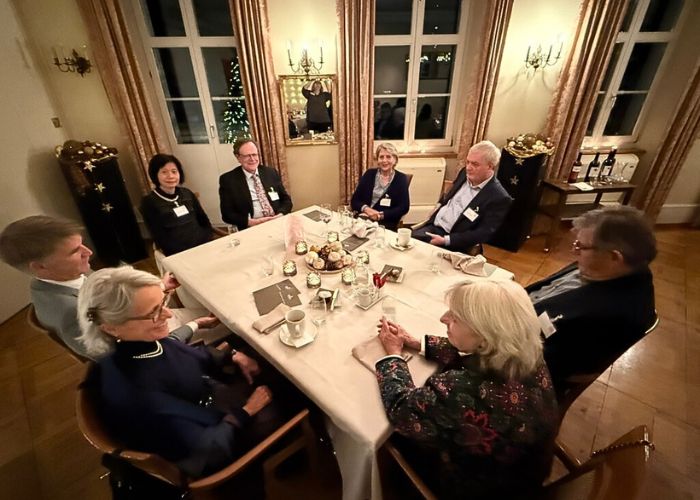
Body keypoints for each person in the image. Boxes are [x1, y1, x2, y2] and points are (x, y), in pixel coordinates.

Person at [76, 267, 281, 479]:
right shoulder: (139, 394)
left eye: (163, 302)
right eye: (154, 312)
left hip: (204, 400)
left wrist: (232, 355)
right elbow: (211, 452)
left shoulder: (136, 344)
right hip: (213, 440)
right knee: (290, 391)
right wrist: (247, 410)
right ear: (111, 327)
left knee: (255, 353)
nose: (169, 314)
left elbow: (178, 351)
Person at [375, 280, 558, 499]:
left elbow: (400, 409)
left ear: (485, 335)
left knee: (382, 436)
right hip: (529, 471)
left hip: (481, 488)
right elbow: (478, 352)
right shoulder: (527, 352)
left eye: (455, 318)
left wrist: (393, 355)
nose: (443, 318)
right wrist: (416, 342)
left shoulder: (460, 390)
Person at [0, 216, 218, 360]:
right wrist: (192, 326)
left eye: (82, 244)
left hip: (146, 323)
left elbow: (116, 299)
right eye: (75, 251)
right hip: (155, 346)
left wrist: (161, 286)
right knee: (224, 319)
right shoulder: (70, 313)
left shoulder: (58, 278)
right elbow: (132, 357)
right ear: (40, 267)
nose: (89, 252)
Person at [527, 206, 657, 401]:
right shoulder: (606, 267)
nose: (574, 251)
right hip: (519, 314)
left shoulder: (615, 315)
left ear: (614, 257)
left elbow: (543, 363)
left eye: (581, 246)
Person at [413, 140, 512, 254]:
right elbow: (450, 192)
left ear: (490, 166)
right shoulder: (464, 173)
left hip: (454, 242)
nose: (468, 167)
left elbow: (484, 233)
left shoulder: (499, 197)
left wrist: (446, 240)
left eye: (475, 164)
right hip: (432, 227)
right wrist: (439, 204)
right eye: (467, 162)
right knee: (402, 244)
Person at [141, 154, 224, 256]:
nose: (170, 176)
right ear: (155, 175)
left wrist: (205, 241)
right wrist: (188, 251)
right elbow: (160, 237)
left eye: (174, 171)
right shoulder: (149, 202)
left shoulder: (187, 193)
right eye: (164, 172)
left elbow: (204, 221)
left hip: (204, 246)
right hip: (179, 254)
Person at [219, 138, 293, 230]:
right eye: (247, 156)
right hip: (251, 228)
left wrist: (280, 215)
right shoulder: (228, 180)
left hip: (277, 222)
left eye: (254, 154)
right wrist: (250, 222)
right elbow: (227, 215)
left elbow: (286, 201)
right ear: (238, 157)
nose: (252, 159)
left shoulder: (270, 172)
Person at [350, 143, 410, 231]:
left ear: (395, 160)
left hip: (386, 223)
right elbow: (355, 200)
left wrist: (380, 215)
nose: (384, 160)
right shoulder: (369, 174)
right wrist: (367, 210)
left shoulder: (401, 178)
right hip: (363, 218)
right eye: (381, 157)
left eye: (388, 157)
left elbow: (404, 207)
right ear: (377, 160)